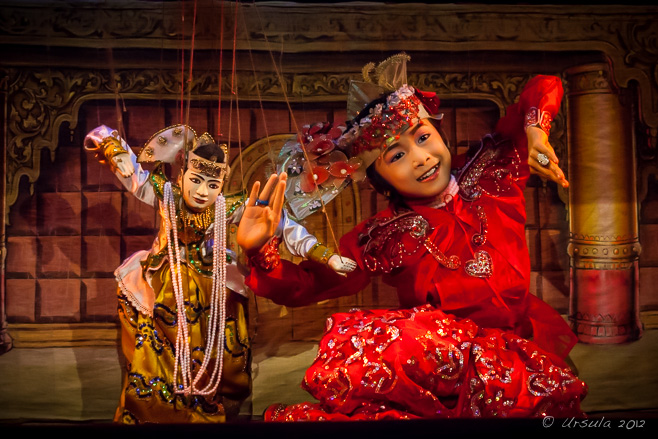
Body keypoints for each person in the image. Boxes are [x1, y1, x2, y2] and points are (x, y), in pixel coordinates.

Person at [236, 54, 588, 420]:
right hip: (450, 366)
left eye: (423, 137)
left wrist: (535, 131)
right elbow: (309, 284)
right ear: (379, 178)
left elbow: (544, 85)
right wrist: (261, 250)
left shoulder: (492, 168)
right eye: (397, 155)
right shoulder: (384, 235)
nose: (420, 158)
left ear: (439, 132)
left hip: (525, 341)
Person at [83, 124, 355, 424]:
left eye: (212, 185)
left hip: (213, 283)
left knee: (219, 343)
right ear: (182, 175)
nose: (202, 192)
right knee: (153, 341)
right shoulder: (165, 193)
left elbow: (284, 227)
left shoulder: (229, 206)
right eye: (196, 180)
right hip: (164, 278)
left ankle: (208, 401)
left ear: (221, 185)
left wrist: (326, 257)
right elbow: (132, 173)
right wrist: (107, 140)